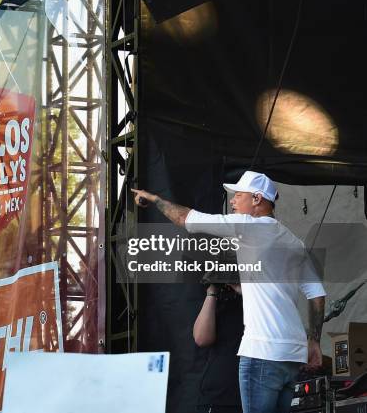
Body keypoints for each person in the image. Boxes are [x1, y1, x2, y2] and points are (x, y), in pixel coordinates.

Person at [132, 171, 326, 413]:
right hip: (292, 354)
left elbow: (186, 219)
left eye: (238, 195)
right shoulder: (294, 242)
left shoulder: (247, 226)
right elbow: (316, 293)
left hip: (262, 352)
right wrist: (315, 341)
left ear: (256, 199)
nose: (232, 201)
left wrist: (152, 198)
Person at [194, 283, 244, 413]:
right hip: (220, 393)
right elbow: (201, 338)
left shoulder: (260, 295)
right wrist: (212, 292)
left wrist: (244, 291)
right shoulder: (219, 297)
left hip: (256, 389)